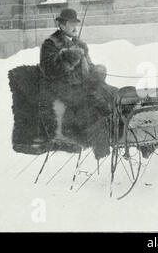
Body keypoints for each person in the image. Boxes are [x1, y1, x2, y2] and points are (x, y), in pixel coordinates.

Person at [39, 8, 119, 159]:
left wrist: (97, 71)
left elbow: (89, 66)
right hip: (64, 90)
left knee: (116, 95)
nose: (75, 27)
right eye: (71, 24)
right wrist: (70, 56)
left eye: (76, 23)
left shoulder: (79, 44)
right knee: (93, 105)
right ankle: (101, 143)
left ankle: (129, 134)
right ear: (62, 25)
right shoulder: (51, 44)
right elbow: (48, 71)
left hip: (85, 87)